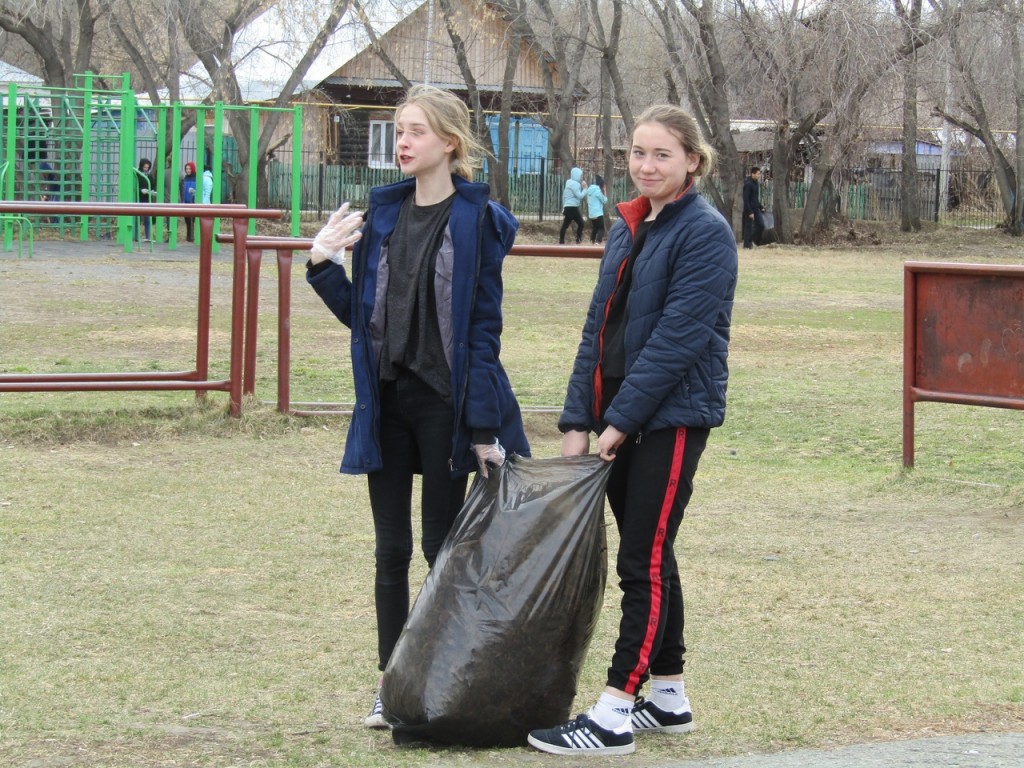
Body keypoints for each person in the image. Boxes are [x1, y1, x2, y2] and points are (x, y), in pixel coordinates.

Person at [305, 84, 531, 729]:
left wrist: (482, 426)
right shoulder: (383, 215)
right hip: (388, 403)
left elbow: (482, 333)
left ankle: (446, 679)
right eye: (399, 130)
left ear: (449, 143)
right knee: (390, 550)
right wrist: (322, 265)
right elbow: (367, 323)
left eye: (416, 131)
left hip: (443, 406)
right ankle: (393, 685)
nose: (402, 142)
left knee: (440, 547)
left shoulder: (476, 219)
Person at [527, 104, 738, 757]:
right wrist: (578, 420)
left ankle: (615, 712)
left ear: (692, 162)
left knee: (640, 560)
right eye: (638, 153)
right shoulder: (627, 226)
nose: (646, 165)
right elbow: (598, 330)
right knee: (653, 554)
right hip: (620, 413)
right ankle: (668, 699)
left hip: (670, 418)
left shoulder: (706, 233)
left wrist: (620, 423)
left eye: (662, 154)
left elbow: (678, 341)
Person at [559, 167, 587, 244]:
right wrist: (585, 189)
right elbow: (580, 196)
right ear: (576, 175)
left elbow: (564, 196)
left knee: (566, 225)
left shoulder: (569, 183)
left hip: (569, 207)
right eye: (580, 176)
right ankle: (578, 240)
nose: (581, 177)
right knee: (580, 223)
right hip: (572, 207)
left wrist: (564, 206)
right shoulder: (575, 184)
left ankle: (562, 241)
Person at [742, 166, 764, 249]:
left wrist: (761, 207)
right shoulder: (748, 184)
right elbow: (746, 199)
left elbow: (755, 198)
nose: (759, 175)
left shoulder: (756, 183)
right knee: (748, 227)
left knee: (761, 225)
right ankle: (747, 245)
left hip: (756, 208)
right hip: (749, 209)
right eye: (758, 174)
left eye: (759, 174)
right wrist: (750, 212)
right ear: (752, 174)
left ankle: (751, 240)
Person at [136, 158, 155, 241]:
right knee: (138, 218)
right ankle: (137, 236)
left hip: (147, 199)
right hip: (139, 198)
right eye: (144, 167)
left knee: (147, 218)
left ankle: (147, 236)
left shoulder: (149, 176)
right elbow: (135, 186)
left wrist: (152, 191)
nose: (146, 169)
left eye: (147, 167)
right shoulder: (137, 175)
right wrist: (141, 190)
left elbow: (153, 186)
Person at [586, 173, 608, 244]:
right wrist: (605, 191)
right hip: (598, 213)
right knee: (601, 228)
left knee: (595, 228)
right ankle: (598, 241)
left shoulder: (589, 190)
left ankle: (591, 241)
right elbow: (604, 200)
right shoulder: (597, 191)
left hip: (591, 213)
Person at [181, 162, 197, 243]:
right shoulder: (185, 178)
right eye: (186, 169)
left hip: (193, 202)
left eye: (189, 168)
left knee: (192, 221)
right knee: (187, 221)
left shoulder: (196, 178)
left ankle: (191, 237)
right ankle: (188, 237)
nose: (188, 170)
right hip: (186, 202)